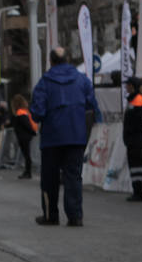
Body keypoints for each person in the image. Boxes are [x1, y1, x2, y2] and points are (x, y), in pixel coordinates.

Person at [30, 47, 99, 227]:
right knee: (73, 176)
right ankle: (75, 216)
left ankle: (50, 215)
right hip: (76, 136)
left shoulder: (44, 82)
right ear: (68, 59)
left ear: (51, 61)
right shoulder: (82, 80)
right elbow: (92, 105)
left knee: (49, 178)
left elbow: (37, 112)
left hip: (52, 138)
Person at [123, 78, 142, 202]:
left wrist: (130, 130)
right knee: (136, 166)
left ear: (132, 86)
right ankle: (138, 191)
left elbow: (141, 119)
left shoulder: (138, 99)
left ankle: (139, 192)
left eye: (127, 85)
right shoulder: (133, 99)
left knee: (136, 166)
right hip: (134, 139)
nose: (126, 87)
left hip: (136, 139)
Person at [9, 93, 38, 179]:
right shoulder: (25, 112)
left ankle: (28, 172)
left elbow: (26, 125)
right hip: (27, 135)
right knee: (27, 154)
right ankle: (27, 171)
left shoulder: (20, 113)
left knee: (27, 155)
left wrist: (32, 132)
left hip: (24, 136)